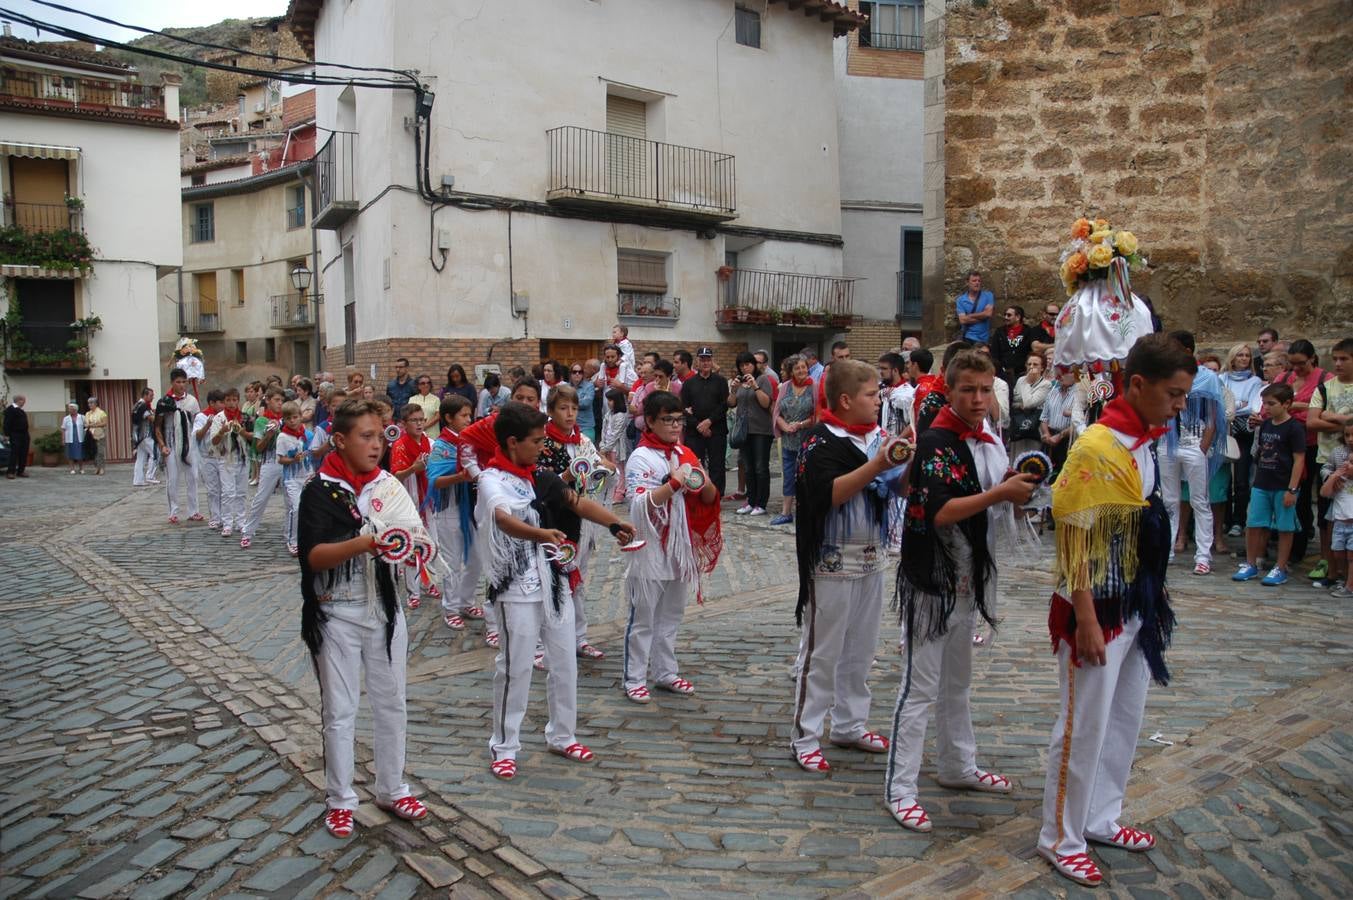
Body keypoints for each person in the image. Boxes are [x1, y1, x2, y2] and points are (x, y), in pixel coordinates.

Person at [1037, 333, 1190, 888]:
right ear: (1139, 384)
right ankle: (1060, 837)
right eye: (1173, 394)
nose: (1179, 406)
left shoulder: (1144, 441)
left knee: (1124, 718)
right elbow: (1074, 535)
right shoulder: (1098, 447)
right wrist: (1085, 618)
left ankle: (1101, 815)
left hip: (1136, 601)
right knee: (1083, 726)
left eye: (1184, 395)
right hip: (1096, 608)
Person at [886, 350, 1032, 833]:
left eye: (985, 390)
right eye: (968, 390)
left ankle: (957, 764)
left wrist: (1010, 487)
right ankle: (900, 788)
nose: (978, 398)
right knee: (920, 685)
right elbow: (940, 510)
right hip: (933, 574)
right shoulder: (936, 439)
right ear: (948, 391)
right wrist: (999, 494)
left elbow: (982, 490)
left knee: (958, 681)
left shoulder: (986, 435)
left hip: (969, 574)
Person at [478, 402, 635, 780]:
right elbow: (503, 519)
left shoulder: (542, 477)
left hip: (555, 580)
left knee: (564, 662)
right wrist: (540, 534)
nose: (542, 447)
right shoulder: (491, 479)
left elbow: (576, 503)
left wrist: (615, 524)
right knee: (515, 667)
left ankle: (563, 734)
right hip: (516, 586)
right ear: (513, 442)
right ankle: (504, 745)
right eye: (536, 441)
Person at [297, 398, 429, 839]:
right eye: (365, 437)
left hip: (384, 610)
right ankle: (340, 798)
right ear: (339, 440)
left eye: (379, 437)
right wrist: (367, 541)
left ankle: (392, 787)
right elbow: (315, 557)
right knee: (340, 709)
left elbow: (413, 533)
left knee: (392, 702)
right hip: (336, 610)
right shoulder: (320, 490)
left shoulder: (387, 486)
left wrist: (413, 549)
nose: (376, 446)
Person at [791, 359, 908, 774]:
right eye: (871, 395)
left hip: (872, 557)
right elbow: (827, 495)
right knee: (823, 653)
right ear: (845, 400)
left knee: (861, 650)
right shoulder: (819, 441)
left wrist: (907, 461)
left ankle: (849, 724)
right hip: (830, 560)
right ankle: (806, 735)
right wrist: (878, 465)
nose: (878, 401)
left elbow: (897, 488)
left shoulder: (878, 437)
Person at [621, 390, 723, 704]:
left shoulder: (684, 452)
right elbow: (639, 504)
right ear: (650, 421)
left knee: (671, 615)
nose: (675, 425)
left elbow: (709, 497)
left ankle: (665, 672)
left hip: (680, 546)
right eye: (668, 420)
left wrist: (704, 482)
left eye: (679, 420)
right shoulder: (641, 457)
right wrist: (675, 483)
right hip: (650, 545)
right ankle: (634, 677)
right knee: (644, 617)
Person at [535, 383, 613, 660]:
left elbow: (597, 470)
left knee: (578, 578)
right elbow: (540, 484)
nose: (570, 414)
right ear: (551, 410)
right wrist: (565, 477)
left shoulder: (583, 441)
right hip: (555, 519)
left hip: (583, 518)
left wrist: (604, 471)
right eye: (563, 408)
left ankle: (579, 637)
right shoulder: (543, 443)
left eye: (574, 408)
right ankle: (542, 643)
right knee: (551, 578)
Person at [1159, 331, 1225, 575]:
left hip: (1193, 442)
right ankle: (1166, 549)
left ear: (1187, 350)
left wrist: (1202, 448)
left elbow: (1212, 416)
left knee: (1200, 500)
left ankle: (1203, 555)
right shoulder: (1164, 374)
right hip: (1167, 441)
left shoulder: (1207, 378)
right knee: (1169, 500)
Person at [1233, 383, 1305, 586]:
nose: (1266, 407)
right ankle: (1250, 563)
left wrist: (1292, 489)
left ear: (1286, 404)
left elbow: (1299, 459)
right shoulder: (1265, 425)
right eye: (1264, 403)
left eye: (1271, 404)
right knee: (1253, 524)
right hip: (1262, 482)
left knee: (1284, 527)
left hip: (1283, 484)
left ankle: (1280, 567)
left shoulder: (1294, 428)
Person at [428, 395, 486, 632]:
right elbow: (434, 480)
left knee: (477, 558)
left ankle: (466, 601)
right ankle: (451, 608)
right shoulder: (441, 446)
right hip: (449, 509)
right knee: (452, 561)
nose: (468, 419)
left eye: (469, 414)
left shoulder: (472, 442)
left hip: (471, 509)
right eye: (463, 415)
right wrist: (460, 476)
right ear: (448, 418)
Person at [1274, 340, 1330, 567]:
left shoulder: (1324, 379)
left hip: (1314, 443)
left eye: (1301, 364)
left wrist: (1297, 407)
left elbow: (1326, 410)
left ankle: (1305, 544)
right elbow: (1271, 402)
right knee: (1291, 494)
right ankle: (1290, 546)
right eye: (1292, 364)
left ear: (1312, 358)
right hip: (1286, 444)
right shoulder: (1284, 378)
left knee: (1308, 494)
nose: (1296, 369)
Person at [1308, 338, 1353, 587]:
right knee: (1328, 518)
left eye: (1344, 359)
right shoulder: (1325, 388)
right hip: (1327, 458)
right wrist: (1345, 421)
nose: (1337, 363)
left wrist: (1330, 416)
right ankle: (1330, 568)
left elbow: (1322, 417)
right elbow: (1312, 421)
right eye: (1335, 359)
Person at [390, 402, 434, 608]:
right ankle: (413, 591)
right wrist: (413, 469)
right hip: (409, 499)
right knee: (412, 546)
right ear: (404, 424)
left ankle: (428, 582)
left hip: (428, 499)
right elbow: (396, 475)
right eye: (414, 420)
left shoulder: (430, 442)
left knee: (431, 543)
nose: (419, 424)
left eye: (421, 419)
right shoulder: (399, 445)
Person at [1223, 344, 1264, 539]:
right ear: (1232, 357)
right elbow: (1220, 403)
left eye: (1247, 355)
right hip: (1224, 429)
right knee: (1224, 478)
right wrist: (1239, 404)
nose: (1244, 358)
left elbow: (1252, 406)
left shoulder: (1255, 381)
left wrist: (1232, 406)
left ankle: (1239, 520)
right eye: (1240, 355)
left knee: (1241, 478)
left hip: (1244, 431)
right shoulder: (1222, 378)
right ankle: (1225, 518)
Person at [772, 355, 817, 526]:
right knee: (788, 475)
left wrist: (800, 424)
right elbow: (777, 412)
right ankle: (786, 512)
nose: (801, 371)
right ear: (791, 371)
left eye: (804, 367)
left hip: (807, 439)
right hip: (788, 439)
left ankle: (806, 510)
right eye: (797, 368)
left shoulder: (814, 387)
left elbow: (817, 415)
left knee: (806, 476)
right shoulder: (785, 387)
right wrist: (784, 426)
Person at [728, 351, 774, 517]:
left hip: (761, 430)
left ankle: (761, 503)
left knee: (760, 467)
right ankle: (751, 500)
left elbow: (766, 403)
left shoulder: (762, 379)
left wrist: (755, 386)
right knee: (748, 467)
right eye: (741, 365)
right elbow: (731, 403)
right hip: (744, 431)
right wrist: (733, 390)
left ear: (754, 365)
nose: (744, 368)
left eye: (747, 364)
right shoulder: (740, 382)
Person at [680, 347, 730, 497]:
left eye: (708, 359)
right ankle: (696, 494)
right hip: (695, 431)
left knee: (717, 465)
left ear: (712, 361)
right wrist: (698, 425)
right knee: (695, 464)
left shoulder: (721, 382)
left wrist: (709, 421)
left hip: (716, 429)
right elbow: (684, 408)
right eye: (702, 359)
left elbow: (724, 405)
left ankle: (716, 496)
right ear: (697, 361)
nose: (705, 363)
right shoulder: (689, 383)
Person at [241, 386, 286, 549]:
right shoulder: (262, 421)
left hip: (288, 462)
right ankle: (247, 532)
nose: (280, 403)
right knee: (261, 498)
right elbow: (258, 447)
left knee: (292, 501)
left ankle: (291, 536)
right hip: (271, 460)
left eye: (282, 400)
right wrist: (268, 435)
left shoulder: (287, 418)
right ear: (268, 401)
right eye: (276, 400)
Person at [156, 369, 202, 522]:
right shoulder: (164, 402)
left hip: (189, 442)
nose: (181, 385)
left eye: (184, 382)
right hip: (171, 442)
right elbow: (157, 426)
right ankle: (173, 511)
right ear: (172, 383)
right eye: (178, 382)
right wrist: (162, 445)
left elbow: (197, 422)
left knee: (193, 477)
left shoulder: (192, 401)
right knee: (173, 479)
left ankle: (193, 510)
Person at [210, 387, 250, 539]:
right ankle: (227, 523)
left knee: (242, 492)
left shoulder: (244, 417)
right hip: (226, 457)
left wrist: (242, 431)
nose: (231, 403)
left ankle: (241, 521)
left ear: (238, 401)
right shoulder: (219, 418)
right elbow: (214, 441)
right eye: (228, 400)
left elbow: (252, 437)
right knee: (228, 492)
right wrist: (222, 431)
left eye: (234, 400)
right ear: (224, 401)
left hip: (242, 456)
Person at [1319, 422, 1353, 598]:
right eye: (1347, 435)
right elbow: (1326, 468)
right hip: (1339, 509)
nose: (1350, 439)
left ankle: (1350, 585)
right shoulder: (1338, 452)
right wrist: (1331, 477)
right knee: (1338, 550)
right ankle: (1344, 579)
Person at [193, 391, 226, 530]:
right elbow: (197, 436)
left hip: (222, 456)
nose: (223, 405)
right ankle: (215, 517)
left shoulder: (225, 416)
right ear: (212, 403)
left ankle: (226, 517)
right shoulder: (201, 416)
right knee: (213, 489)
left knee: (225, 488)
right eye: (221, 402)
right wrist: (207, 424)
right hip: (207, 456)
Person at [992, 305, 1036, 385]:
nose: (1005, 317)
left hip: (1023, 372)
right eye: (1005, 315)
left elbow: (1032, 350)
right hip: (1003, 373)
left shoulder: (1028, 331)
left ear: (1018, 317)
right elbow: (995, 352)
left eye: (1009, 315)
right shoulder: (999, 332)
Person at [955, 270, 994, 344]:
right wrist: (983, 317)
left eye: (979, 281)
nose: (977, 283)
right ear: (967, 282)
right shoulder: (961, 300)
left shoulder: (988, 295)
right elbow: (962, 320)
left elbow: (988, 314)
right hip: (968, 337)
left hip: (983, 338)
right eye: (974, 281)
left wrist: (969, 316)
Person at [130, 388, 158, 486]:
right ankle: (150, 476)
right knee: (155, 453)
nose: (152, 397)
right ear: (145, 395)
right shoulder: (143, 406)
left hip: (137, 435)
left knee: (140, 458)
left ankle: (138, 480)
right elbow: (151, 418)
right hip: (145, 434)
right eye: (151, 395)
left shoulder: (136, 405)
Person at [878, 352, 909, 437]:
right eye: (880, 368)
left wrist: (898, 439)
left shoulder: (909, 394)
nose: (881, 372)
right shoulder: (879, 390)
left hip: (899, 442)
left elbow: (913, 423)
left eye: (884, 369)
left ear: (895, 370)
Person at [4, 394, 29, 479]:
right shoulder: (10, 409)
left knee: (23, 453)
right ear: (19, 400)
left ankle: (21, 471)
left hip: (24, 435)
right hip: (15, 434)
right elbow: (7, 423)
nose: (24, 402)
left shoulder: (20, 410)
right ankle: (10, 472)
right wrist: (7, 435)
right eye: (24, 401)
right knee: (14, 453)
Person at [84, 396, 108, 475]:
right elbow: (86, 423)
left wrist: (94, 425)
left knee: (100, 451)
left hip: (99, 434)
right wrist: (89, 425)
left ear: (96, 404)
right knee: (93, 451)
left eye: (91, 403)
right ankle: (97, 467)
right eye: (89, 403)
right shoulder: (87, 413)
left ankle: (102, 468)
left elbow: (104, 423)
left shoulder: (101, 413)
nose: (90, 404)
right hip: (90, 434)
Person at [574, 361, 597, 443]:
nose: (577, 374)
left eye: (580, 372)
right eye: (574, 372)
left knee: (587, 450)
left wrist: (569, 402)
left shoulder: (589, 386)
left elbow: (586, 403)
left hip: (586, 426)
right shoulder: (566, 387)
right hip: (570, 427)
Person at [61, 401, 86, 475]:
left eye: (71, 409)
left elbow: (86, 426)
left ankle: (81, 468)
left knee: (80, 454)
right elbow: (63, 429)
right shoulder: (66, 418)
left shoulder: (82, 417)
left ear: (75, 409)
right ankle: (72, 469)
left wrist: (85, 433)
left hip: (79, 438)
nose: (69, 410)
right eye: (69, 409)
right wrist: (63, 439)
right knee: (70, 454)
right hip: (69, 439)